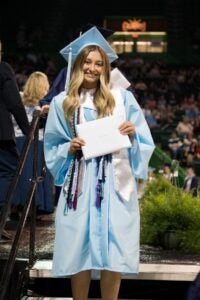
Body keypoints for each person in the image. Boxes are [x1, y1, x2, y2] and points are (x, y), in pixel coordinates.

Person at [43, 26, 155, 300]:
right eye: (87, 62)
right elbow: (52, 145)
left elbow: (144, 140)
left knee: (114, 249)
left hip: (116, 183)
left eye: (99, 63)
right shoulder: (63, 103)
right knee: (78, 247)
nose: (92, 68)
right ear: (79, 65)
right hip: (80, 183)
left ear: (106, 67)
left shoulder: (123, 99)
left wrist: (132, 133)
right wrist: (69, 147)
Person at [11, 71, 55, 219]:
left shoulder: (18, 102)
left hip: (17, 142)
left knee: (20, 176)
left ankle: (17, 206)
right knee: (34, 175)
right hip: (36, 143)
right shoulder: (43, 106)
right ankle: (34, 207)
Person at [0, 56, 30, 240]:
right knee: (6, 173)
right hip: (1, 136)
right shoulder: (2, 68)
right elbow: (14, 103)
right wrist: (28, 129)